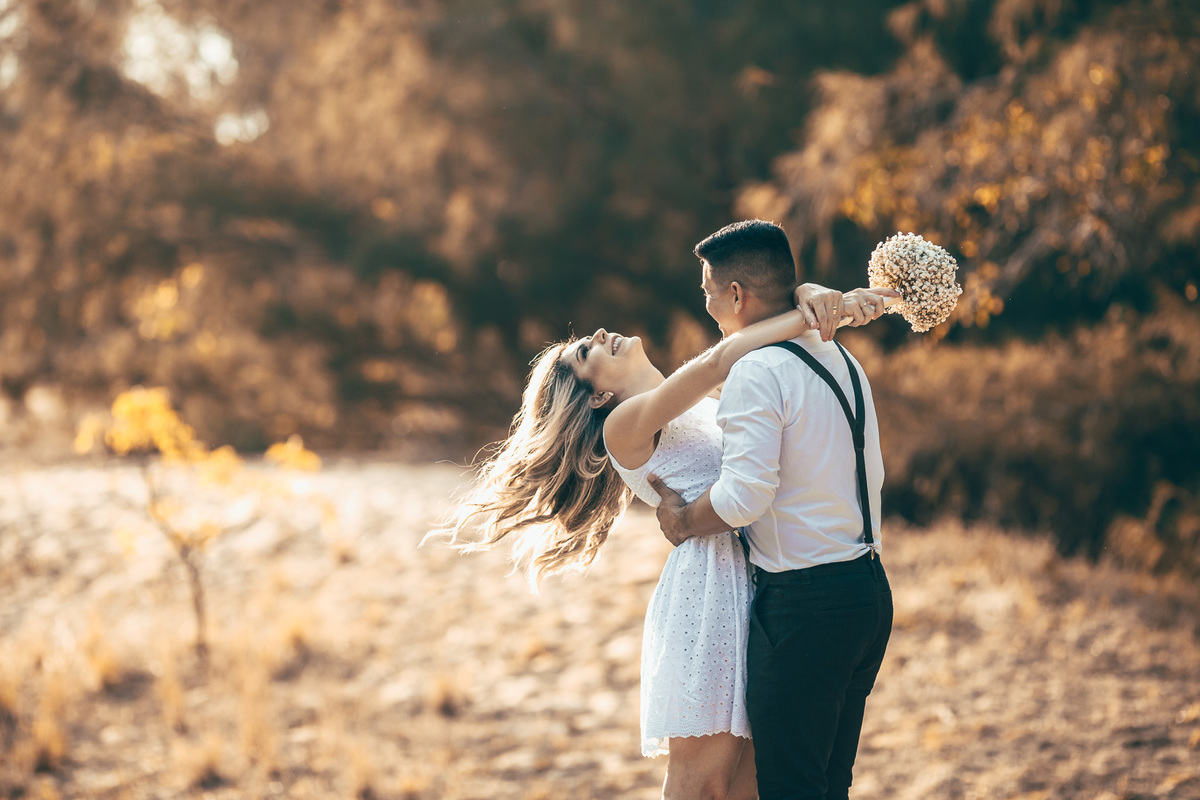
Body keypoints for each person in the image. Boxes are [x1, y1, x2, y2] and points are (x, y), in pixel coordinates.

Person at [436, 268, 891, 800]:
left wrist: (811, 300)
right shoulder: (623, 426)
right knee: (704, 787)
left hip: (766, 582)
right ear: (597, 398)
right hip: (712, 592)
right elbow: (727, 354)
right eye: (586, 352)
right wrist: (820, 309)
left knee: (755, 785)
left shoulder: (698, 401)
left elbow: (753, 356)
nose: (600, 335)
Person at [650, 219, 895, 800]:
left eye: (709, 291)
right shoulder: (839, 358)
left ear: (736, 294)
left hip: (805, 609)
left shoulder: (757, 370)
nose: (708, 306)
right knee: (829, 784)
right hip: (868, 595)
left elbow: (743, 497)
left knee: (789, 789)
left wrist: (681, 522)